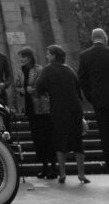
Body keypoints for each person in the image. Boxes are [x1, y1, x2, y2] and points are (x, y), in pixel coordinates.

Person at [35, 44, 88, 184]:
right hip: (74, 109)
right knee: (78, 141)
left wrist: (45, 94)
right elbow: (78, 90)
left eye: (48, 53)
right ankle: (81, 174)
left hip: (58, 109)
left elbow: (39, 87)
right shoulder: (69, 70)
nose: (46, 56)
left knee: (60, 140)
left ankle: (63, 173)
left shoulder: (47, 70)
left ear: (53, 55)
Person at [15, 46, 56, 179]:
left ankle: (53, 167)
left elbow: (43, 86)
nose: (21, 59)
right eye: (20, 56)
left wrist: (33, 90)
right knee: (37, 139)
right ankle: (44, 167)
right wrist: (23, 90)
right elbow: (18, 86)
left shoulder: (39, 69)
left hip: (43, 109)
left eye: (24, 56)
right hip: (30, 109)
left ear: (30, 57)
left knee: (48, 137)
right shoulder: (20, 72)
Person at [78, 27, 109, 173]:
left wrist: (91, 97)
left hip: (98, 100)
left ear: (92, 38)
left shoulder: (85, 56)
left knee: (105, 133)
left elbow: (82, 80)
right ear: (105, 37)